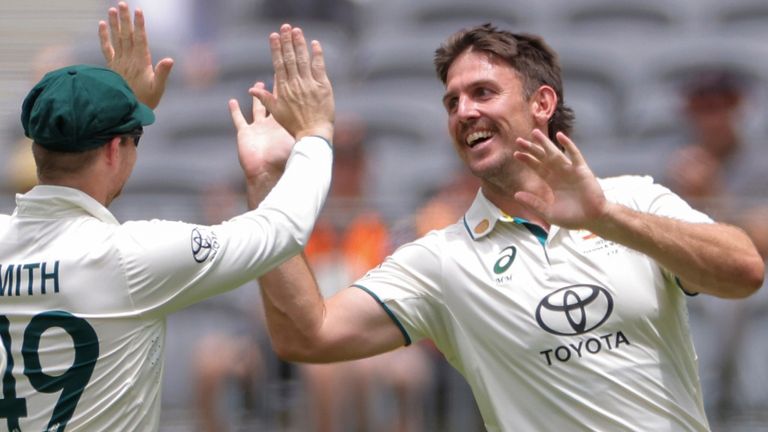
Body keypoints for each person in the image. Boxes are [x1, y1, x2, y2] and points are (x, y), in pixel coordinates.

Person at [248, 23, 765, 431]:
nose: (464, 112)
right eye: (453, 102)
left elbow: (743, 270)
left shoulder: (632, 197)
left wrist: (606, 217)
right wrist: (270, 184)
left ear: (541, 103)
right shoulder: (441, 259)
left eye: (483, 93)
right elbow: (306, 336)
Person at [0, 2, 334, 431]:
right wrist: (316, 132)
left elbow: (78, 223)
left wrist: (115, 110)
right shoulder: (133, 257)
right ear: (112, 150)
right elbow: (282, 229)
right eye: (133, 138)